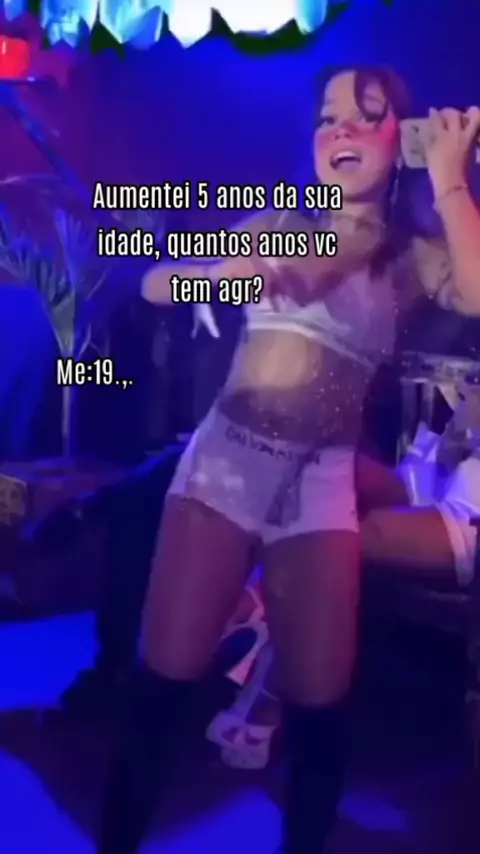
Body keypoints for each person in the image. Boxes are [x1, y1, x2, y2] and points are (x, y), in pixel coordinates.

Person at [97, 66, 480, 854]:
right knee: (163, 689)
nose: (340, 130)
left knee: (320, 710)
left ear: (403, 140)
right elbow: (158, 278)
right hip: (224, 472)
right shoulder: (281, 223)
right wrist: (207, 275)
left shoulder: (414, 257)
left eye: (366, 115)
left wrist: (450, 177)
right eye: (327, 118)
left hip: (319, 491)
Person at [208, 385, 480, 769]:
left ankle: (259, 650)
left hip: (469, 517)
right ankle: (257, 612)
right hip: (434, 470)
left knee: (319, 534)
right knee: (297, 463)